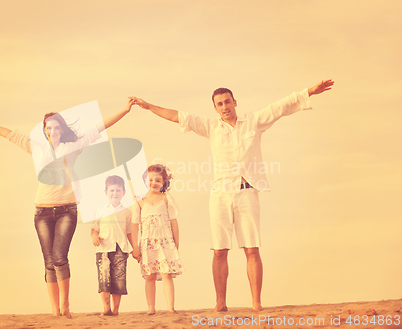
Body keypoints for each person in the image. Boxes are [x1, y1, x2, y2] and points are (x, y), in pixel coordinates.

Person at [130, 80, 334, 312]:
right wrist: (148, 106)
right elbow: (178, 116)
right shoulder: (210, 127)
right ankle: (220, 302)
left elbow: (280, 107)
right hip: (220, 194)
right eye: (219, 104)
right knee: (219, 250)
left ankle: (256, 302)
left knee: (252, 248)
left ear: (235, 102)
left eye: (227, 101)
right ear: (215, 108)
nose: (224, 106)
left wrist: (308, 92)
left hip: (248, 192)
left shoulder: (253, 122)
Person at [0, 98, 135, 318]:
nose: (53, 130)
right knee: (48, 261)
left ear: (61, 129)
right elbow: (9, 134)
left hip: (67, 209)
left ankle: (65, 306)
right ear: (45, 131)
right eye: (49, 127)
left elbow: (100, 127)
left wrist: (124, 109)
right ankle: (55, 310)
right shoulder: (36, 148)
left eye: (57, 127)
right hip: (42, 211)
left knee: (59, 257)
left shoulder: (74, 146)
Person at [131, 164, 182, 315]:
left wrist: (176, 242)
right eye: (151, 180)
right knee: (150, 275)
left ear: (164, 182)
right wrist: (135, 246)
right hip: (147, 243)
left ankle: (170, 308)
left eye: (158, 180)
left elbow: (174, 222)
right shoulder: (139, 200)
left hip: (165, 242)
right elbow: (134, 225)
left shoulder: (167, 198)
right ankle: (151, 308)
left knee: (166, 273)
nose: (154, 183)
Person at [91, 175, 137, 316]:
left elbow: (129, 232)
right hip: (103, 248)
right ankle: (106, 308)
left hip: (121, 248)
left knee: (119, 279)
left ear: (123, 192)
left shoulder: (127, 212)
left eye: (118, 190)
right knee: (104, 278)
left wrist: (135, 248)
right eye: (112, 190)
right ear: (106, 192)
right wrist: (94, 237)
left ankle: (116, 309)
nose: (115, 193)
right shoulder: (100, 211)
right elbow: (94, 228)